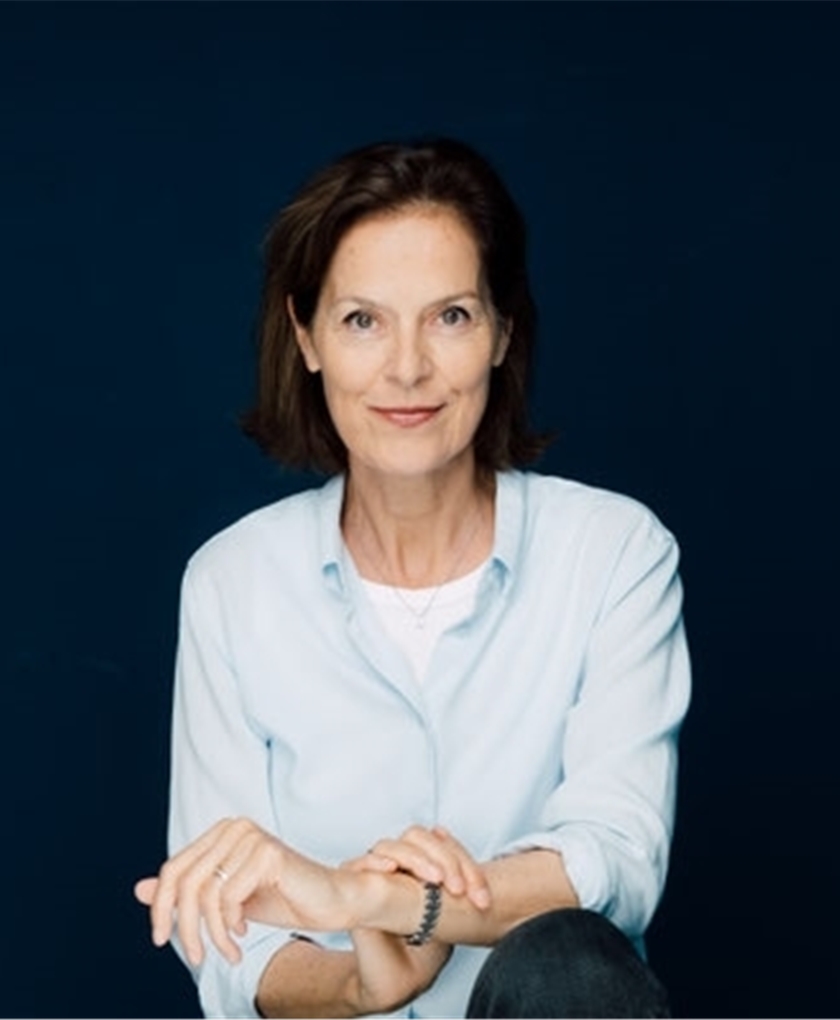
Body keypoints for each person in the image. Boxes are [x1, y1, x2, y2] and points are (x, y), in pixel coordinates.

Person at [135, 137, 690, 1019]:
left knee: (568, 959)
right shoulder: (232, 582)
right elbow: (234, 945)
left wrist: (369, 899)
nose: (406, 368)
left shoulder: (614, 553)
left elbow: (614, 864)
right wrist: (361, 980)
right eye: (363, 320)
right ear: (306, 336)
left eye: (450, 316)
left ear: (503, 330)